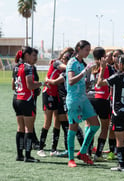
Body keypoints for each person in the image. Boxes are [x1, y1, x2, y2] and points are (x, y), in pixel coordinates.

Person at [66, 40, 100, 168]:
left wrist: (89, 84)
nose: (88, 52)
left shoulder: (82, 63)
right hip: (73, 100)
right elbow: (70, 81)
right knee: (73, 128)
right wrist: (84, 72)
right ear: (79, 49)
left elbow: (81, 82)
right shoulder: (72, 62)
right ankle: (70, 159)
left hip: (83, 98)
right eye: (86, 49)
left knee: (96, 125)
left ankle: (83, 152)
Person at [37, 48, 70, 157]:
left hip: (57, 96)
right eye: (65, 57)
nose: (66, 60)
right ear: (62, 56)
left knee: (57, 122)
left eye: (69, 58)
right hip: (48, 93)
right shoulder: (56, 62)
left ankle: (53, 149)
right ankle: (40, 148)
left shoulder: (66, 69)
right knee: (48, 122)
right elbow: (62, 68)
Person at [12, 46, 43, 162]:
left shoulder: (16, 67)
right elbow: (30, 85)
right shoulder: (28, 67)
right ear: (27, 56)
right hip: (26, 99)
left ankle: (19, 155)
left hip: (16, 99)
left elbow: (13, 86)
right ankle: (28, 156)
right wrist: (41, 83)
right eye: (32, 55)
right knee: (28, 129)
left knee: (20, 128)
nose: (34, 57)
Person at [86, 47, 114, 161]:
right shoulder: (108, 68)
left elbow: (86, 83)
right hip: (102, 98)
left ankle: (87, 152)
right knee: (104, 127)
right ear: (103, 56)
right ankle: (98, 154)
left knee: (89, 126)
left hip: (89, 98)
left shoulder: (89, 66)